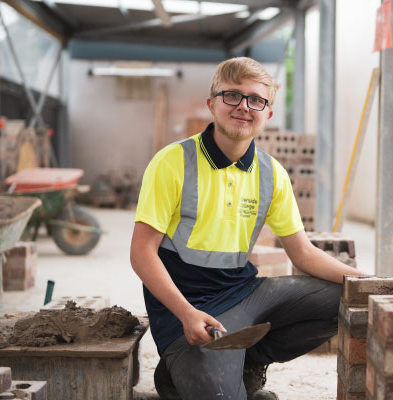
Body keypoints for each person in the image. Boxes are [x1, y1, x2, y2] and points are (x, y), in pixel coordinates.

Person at [130, 57, 367, 400]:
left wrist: (368, 284)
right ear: (212, 104)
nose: (244, 107)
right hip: (190, 312)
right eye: (233, 96)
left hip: (245, 295)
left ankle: (248, 358)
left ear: (267, 113)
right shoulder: (173, 162)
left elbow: (302, 252)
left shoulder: (271, 173)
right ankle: (179, 373)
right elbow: (141, 253)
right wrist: (185, 312)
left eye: (256, 99)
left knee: (343, 299)